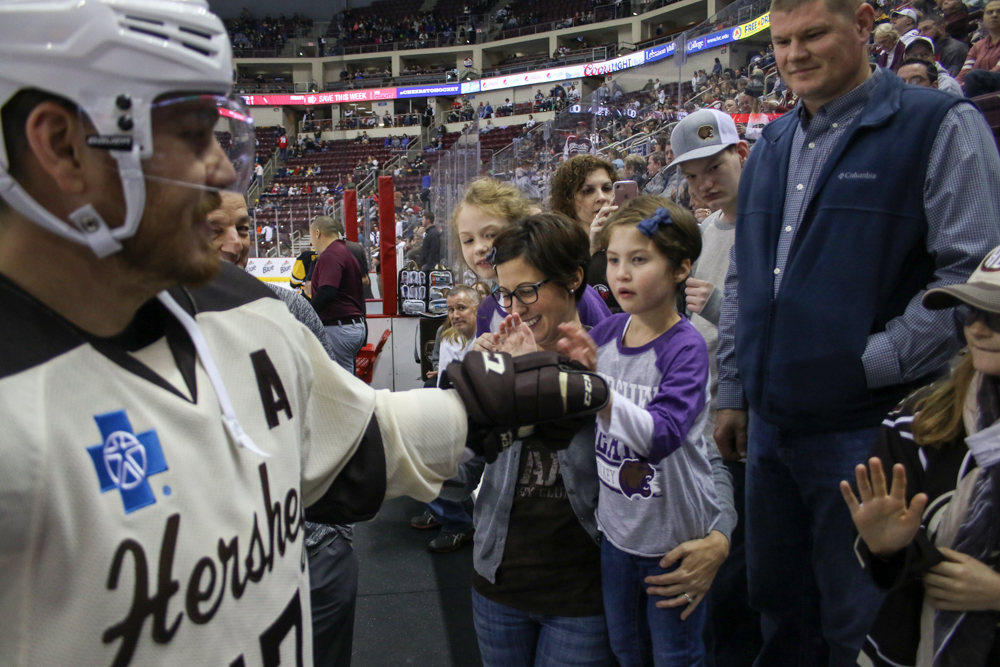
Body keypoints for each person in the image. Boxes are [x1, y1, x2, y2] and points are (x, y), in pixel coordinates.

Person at [0, 1, 615, 663]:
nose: (221, 170)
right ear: (61, 145)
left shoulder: (247, 310)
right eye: (188, 132)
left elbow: (352, 449)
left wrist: (476, 405)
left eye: (219, 134)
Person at [716, 0, 1000, 664]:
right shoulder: (772, 145)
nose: (793, 56)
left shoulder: (939, 125)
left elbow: (973, 274)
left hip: (871, 430)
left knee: (862, 621)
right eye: (783, 42)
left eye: (813, 34)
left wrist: (863, 361)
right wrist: (733, 385)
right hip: (771, 430)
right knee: (781, 614)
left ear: (864, 24)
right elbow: (743, 282)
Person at [558, 196, 723, 667]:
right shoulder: (608, 333)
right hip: (617, 536)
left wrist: (601, 392)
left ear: (680, 268)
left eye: (638, 260)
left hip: (673, 544)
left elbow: (661, 435)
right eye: (612, 260)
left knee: (676, 655)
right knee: (627, 649)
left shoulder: (684, 347)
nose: (621, 274)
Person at [209, 193, 360, 667]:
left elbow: (337, 411)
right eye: (214, 229)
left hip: (316, 545)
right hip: (220, 570)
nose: (234, 243)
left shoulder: (286, 308)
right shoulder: (143, 329)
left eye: (243, 227)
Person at [842, 247, 1000, 666]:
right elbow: (896, 569)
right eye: (968, 314)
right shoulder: (919, 420)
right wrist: (887, 548)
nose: (979, 329)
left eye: (997, 317)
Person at [672, 109, 763, 667]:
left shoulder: (772, 225)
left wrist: (722, 306)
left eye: (715, 166)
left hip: (748, 420)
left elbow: (777, 328)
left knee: (739, 570)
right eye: (692, 174)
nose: (705, 182)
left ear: (742, 155)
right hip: (700, 418)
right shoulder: (700, 234)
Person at [454, 178, 611, 336]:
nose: (479, 248)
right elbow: (493, 361)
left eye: (491, 235)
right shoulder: (487, 311)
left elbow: (607, 347)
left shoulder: (568, 292)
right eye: (468, 240)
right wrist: (485, 359)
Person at [410, 285, 484, 553]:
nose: (454, 315)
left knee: (430, 465)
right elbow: (445, 387)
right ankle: (441, 508)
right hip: (457, 417)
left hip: (480, 428)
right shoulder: (449, 338)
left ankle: (457, 524)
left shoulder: (490, 341)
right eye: (451, 309)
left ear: (478, 308)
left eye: (461, 308)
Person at [550, 155, 621, 313]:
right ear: (568, 200)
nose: (601, 197)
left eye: (607, 188)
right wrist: (593, 251)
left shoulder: (631, 239)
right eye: (588, 191)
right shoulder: (556, 248)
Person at [309, 215, 367, 372]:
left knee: (341, 383)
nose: (311, 243)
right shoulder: (345, 251)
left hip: (339, 328)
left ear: (318, 233)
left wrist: (304, 313)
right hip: (350, 325)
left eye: (311, 236)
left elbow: (327, 292)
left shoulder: (331, 254)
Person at [956, 0, 1000, 96]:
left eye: (999, 11)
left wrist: (967, 83)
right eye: (989, 12)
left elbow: (997, 70)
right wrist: (955, 84)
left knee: (974, 76)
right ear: (983, 19)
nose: (994, 15)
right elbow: (964, 73)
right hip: (976, 86)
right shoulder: (978, 45)